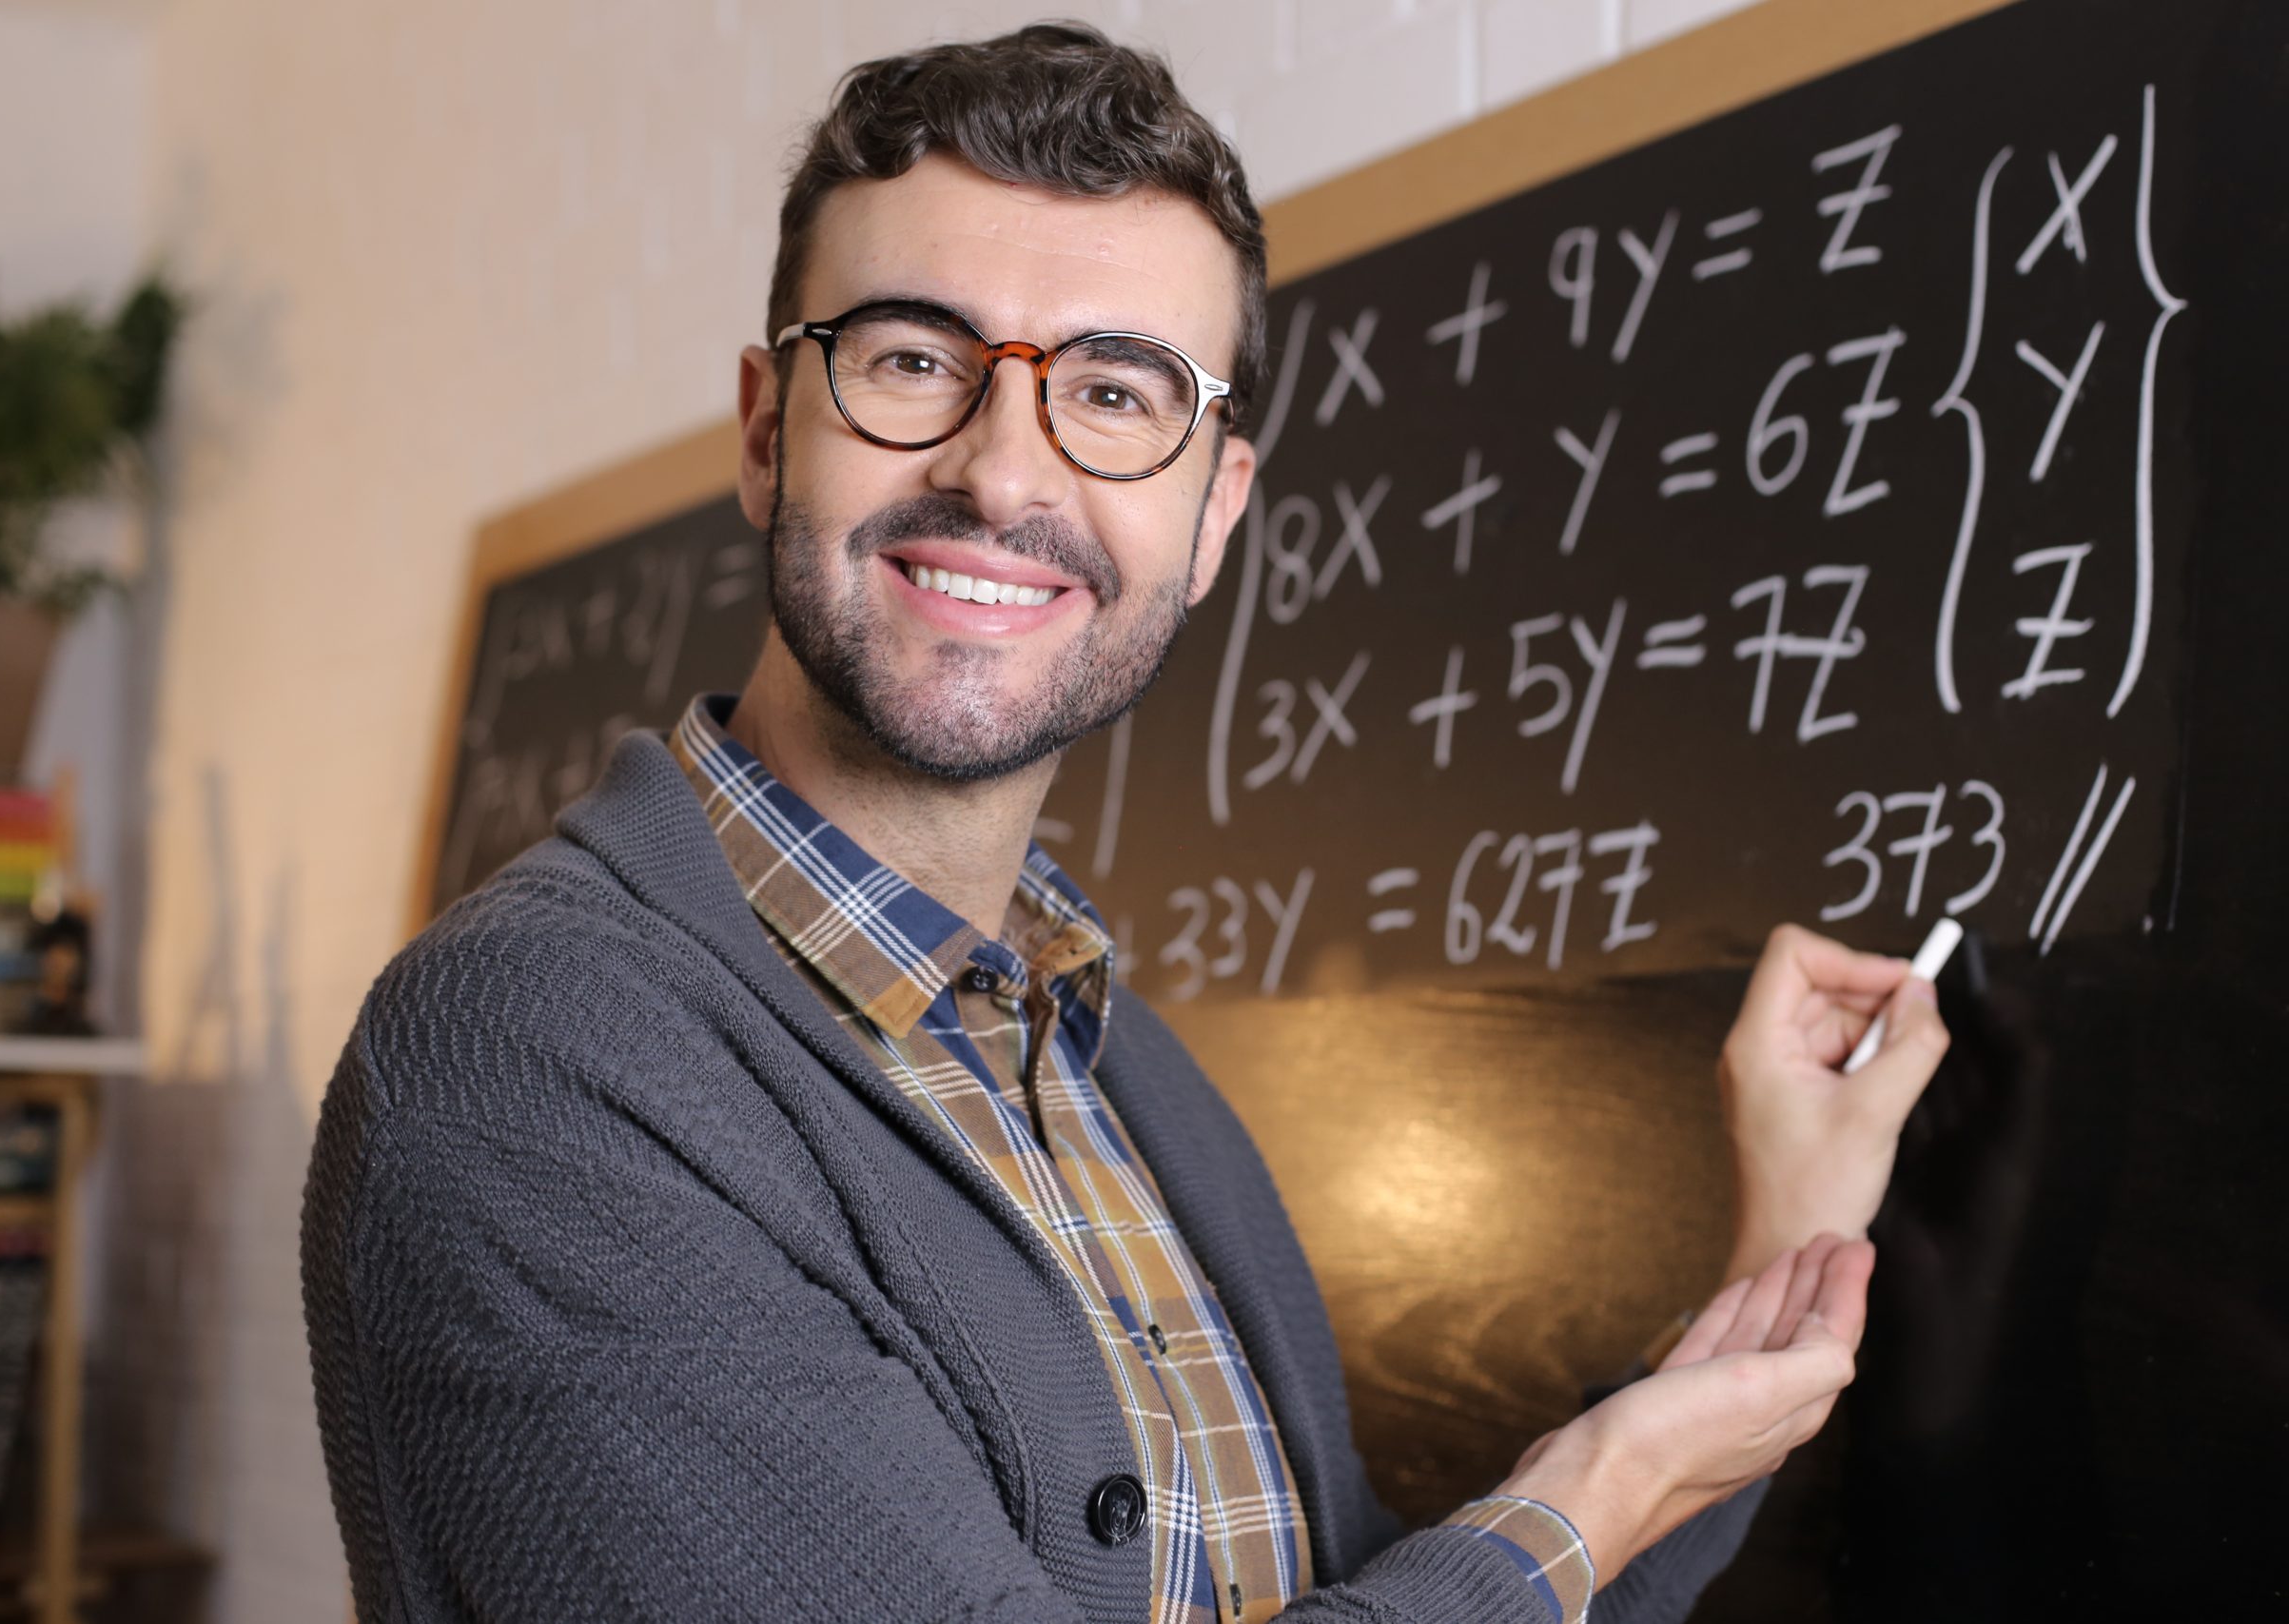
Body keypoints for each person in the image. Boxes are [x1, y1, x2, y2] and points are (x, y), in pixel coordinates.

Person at [300, 23, 1951, 1623]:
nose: (1007, 472)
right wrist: (1580, 1507)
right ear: (763, 431)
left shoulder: (1115, 1070)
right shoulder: (528, 1057)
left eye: (1117, 392)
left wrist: (1783, 1246)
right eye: (911, 360)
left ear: (1215, 511)